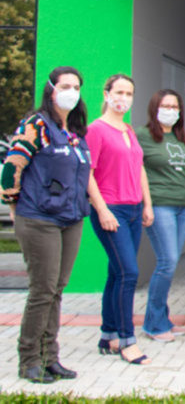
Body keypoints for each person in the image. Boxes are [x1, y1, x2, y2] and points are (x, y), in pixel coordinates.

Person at [1, 67, 91, 383]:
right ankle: (28, 360)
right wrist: (13, 203)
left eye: (76, 86)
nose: (71, 91)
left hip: (71, 218)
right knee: (43, 290)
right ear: (51, 89)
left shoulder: (75, 131)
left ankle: (50, 357)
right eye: (65, 86)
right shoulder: (36, 124)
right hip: (39, 218)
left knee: (57, 290)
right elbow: (12, 166)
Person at [86, 73, 154, 365]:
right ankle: (128, 340)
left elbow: (139, 169)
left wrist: (147, 204)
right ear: (106, 93)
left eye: (129, 93)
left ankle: (108, 334)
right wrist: (102, 210)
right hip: (110, 208)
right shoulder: (96, 130)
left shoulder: (128, 129)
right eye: (119, 92)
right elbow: (87, 173)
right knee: (129, 273)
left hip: (133, 208)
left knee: (116, 273)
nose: (123, 98)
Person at [137, 89, 185, 342]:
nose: (171, 111)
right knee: (167, 262)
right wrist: (147, 205)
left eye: (175, 107)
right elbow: (137, 170)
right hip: (160, 204)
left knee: (171, 264)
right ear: (155, 108)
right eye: (166, 106)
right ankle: (153, 324)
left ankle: (163, 318)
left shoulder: (180, 137)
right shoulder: (142, 135)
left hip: (183, 205)